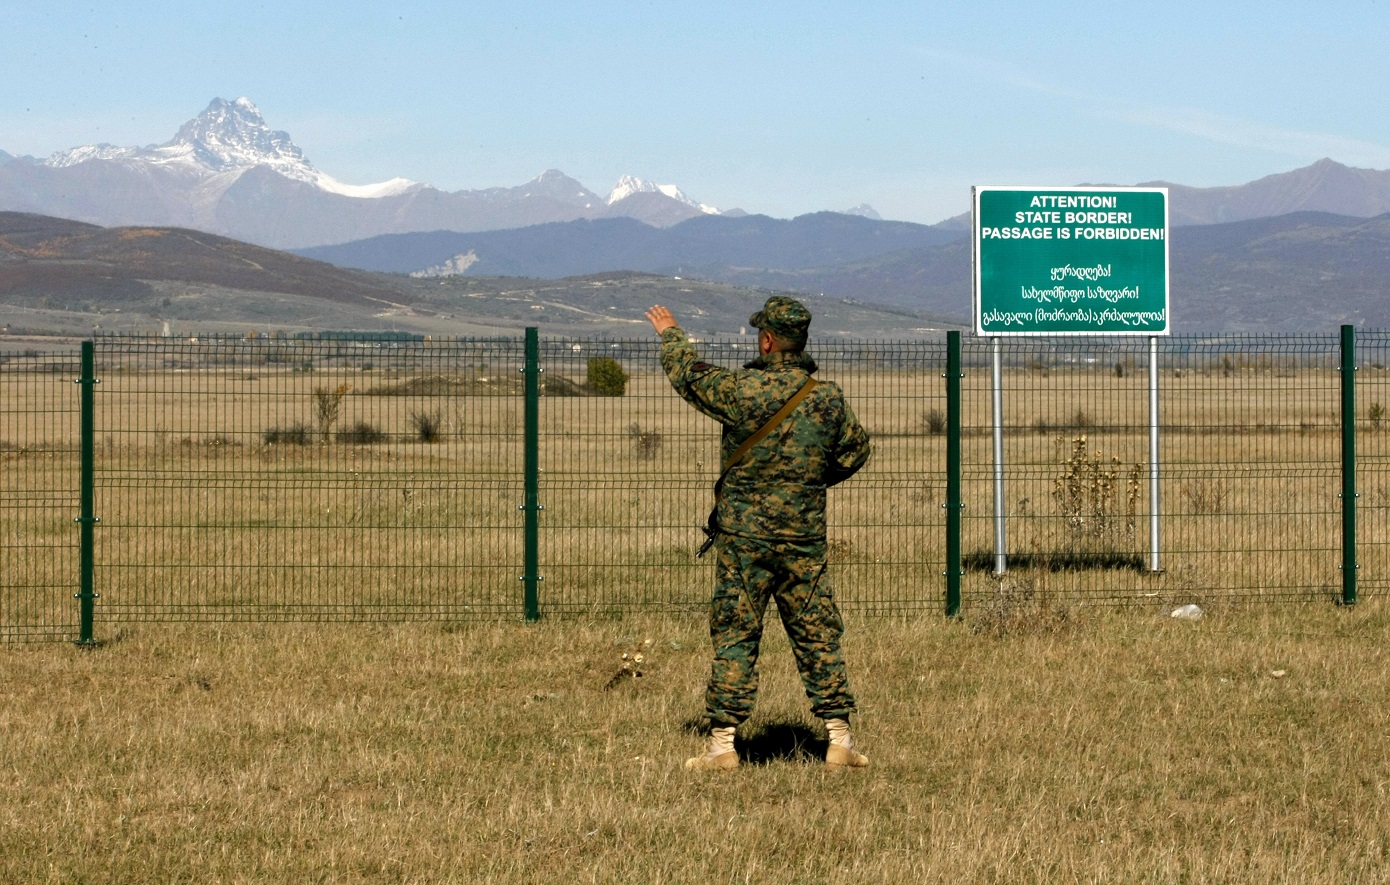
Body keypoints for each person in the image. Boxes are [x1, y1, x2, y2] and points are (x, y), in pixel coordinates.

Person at [645, 296, 872, 770]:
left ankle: (723, 748)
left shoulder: (741, 390)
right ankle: (839, 741)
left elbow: (690, 376)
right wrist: (807, 481)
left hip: (743, 541)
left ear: (767, 340)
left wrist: (671, 333)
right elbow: (855, 451)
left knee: (736, 634)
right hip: (802, 540)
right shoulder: (825, 397)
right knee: (817, 634)